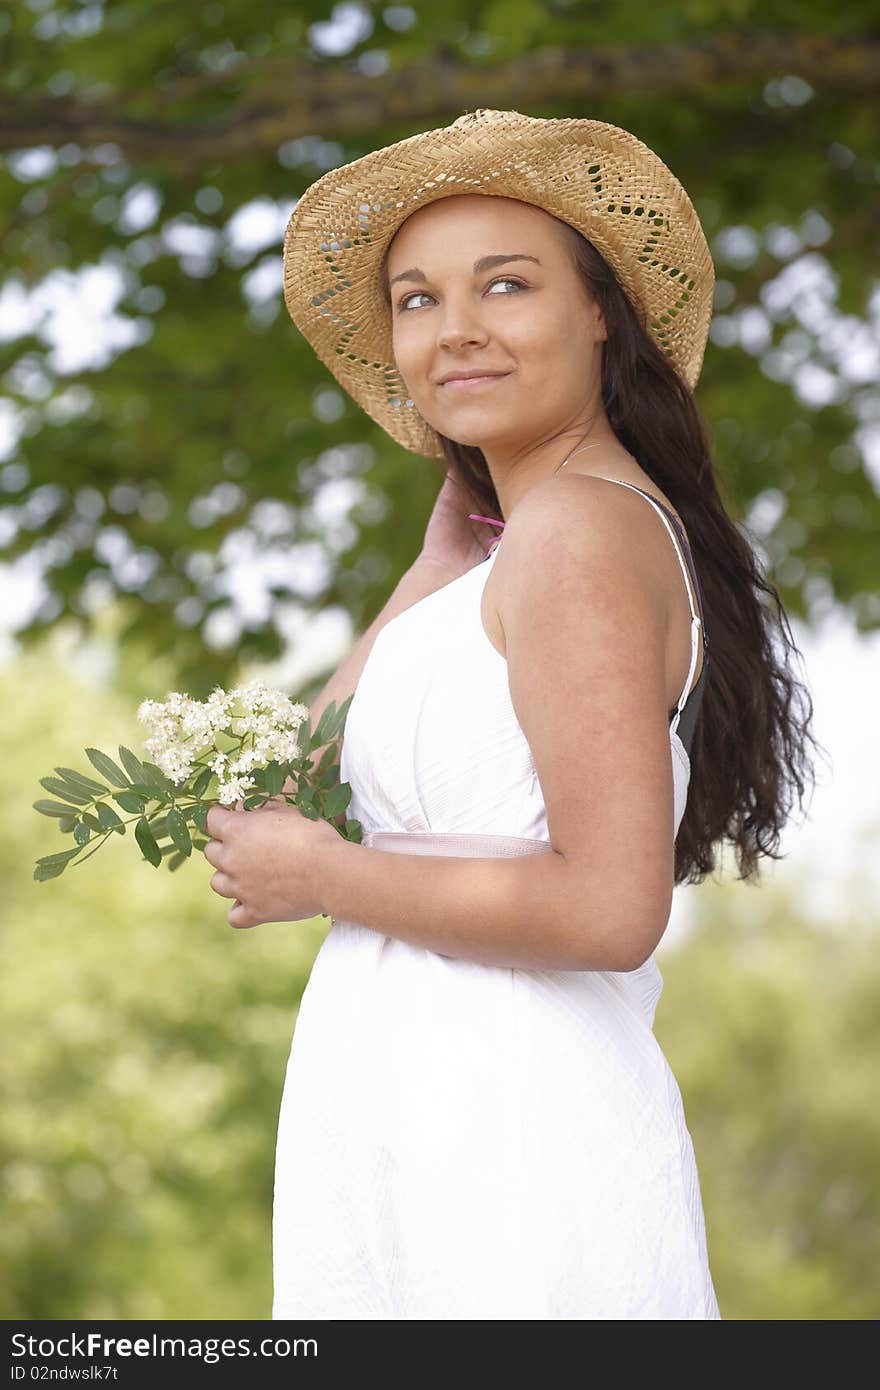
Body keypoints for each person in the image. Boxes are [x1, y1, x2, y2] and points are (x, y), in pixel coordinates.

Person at [204, 109, 821, 1318]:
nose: (457, 331)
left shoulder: (581, 530)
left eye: (506, 284)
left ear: (601, 311)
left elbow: (608, 906)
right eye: (418, 299)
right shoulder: (519, 546)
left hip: (512, 1148)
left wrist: (328, 880)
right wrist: (428, 574)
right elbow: (291, 795)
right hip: (426, 1130)